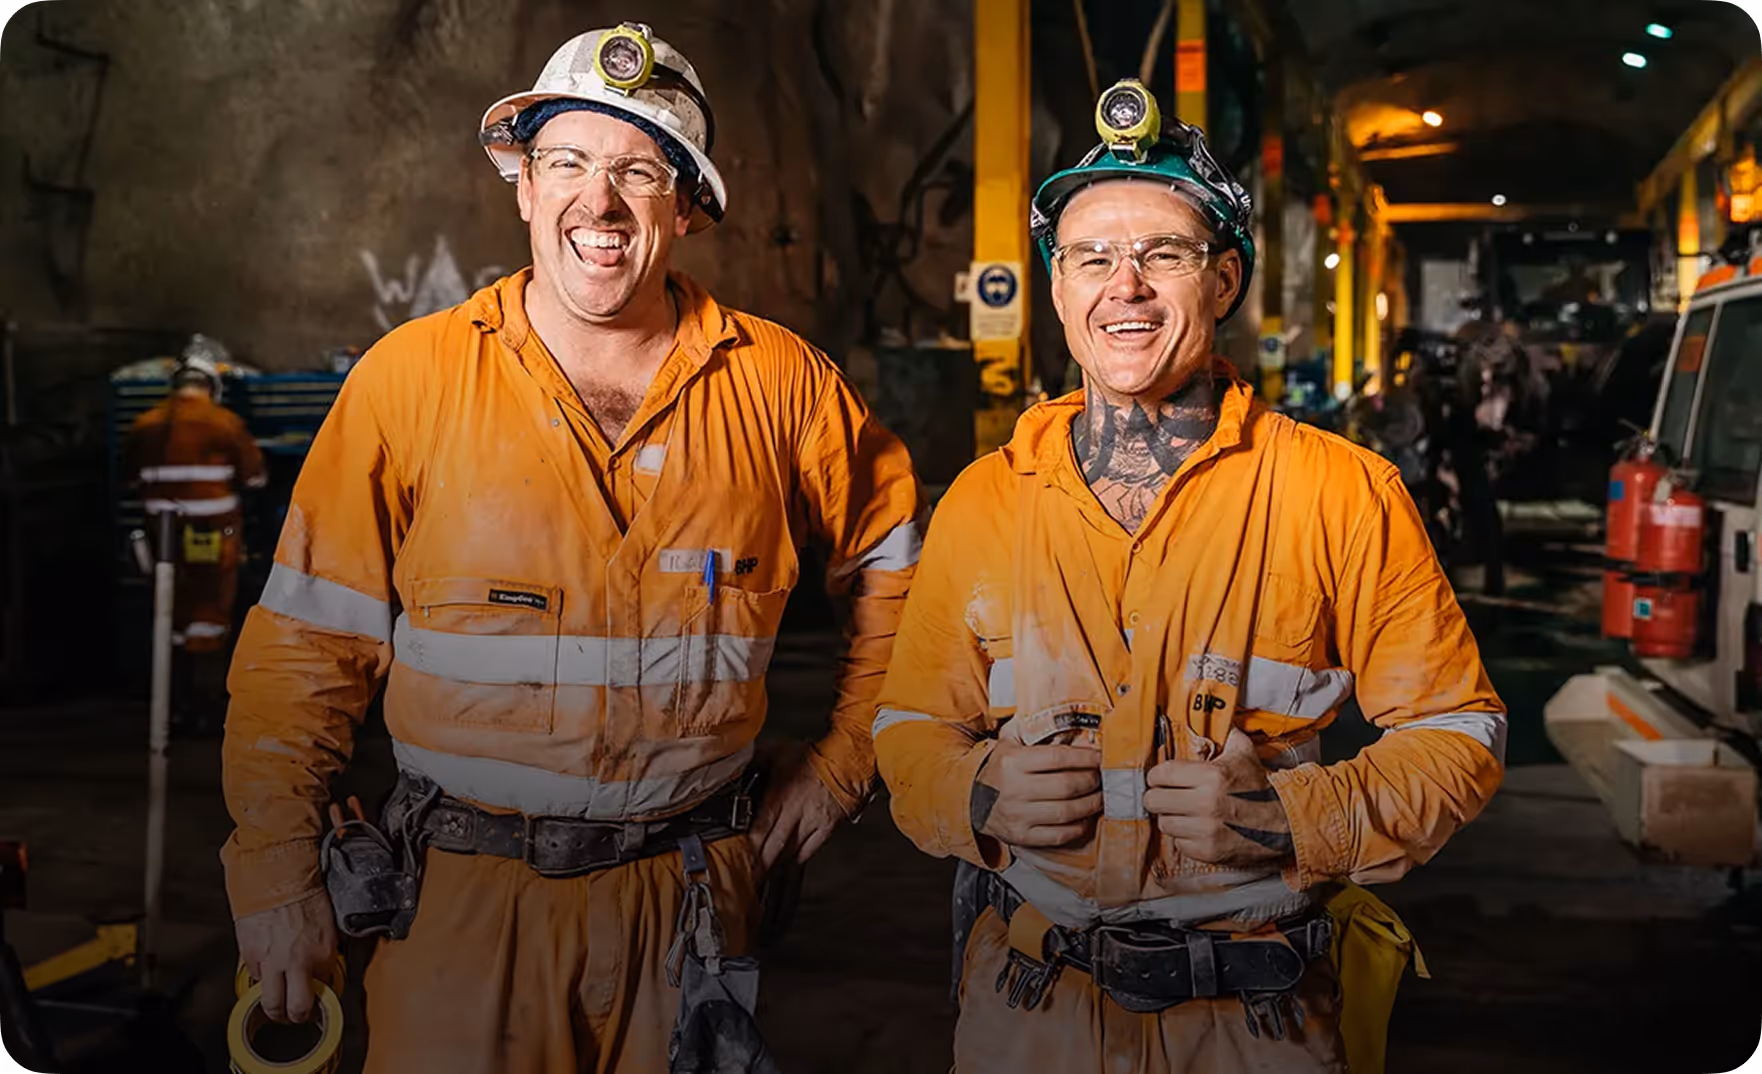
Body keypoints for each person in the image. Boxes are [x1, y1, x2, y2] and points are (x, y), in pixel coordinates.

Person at [220, 24, 923, 1072]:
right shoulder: (410, 383)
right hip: (461, 902)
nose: (598, 203)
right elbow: (304, 651)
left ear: (683, 207)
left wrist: (842, 768)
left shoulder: (784, 388)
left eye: (638, 171)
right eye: (569, 164)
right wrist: (275, 878)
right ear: (523, 187)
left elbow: (910, 582)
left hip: (691, 903)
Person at [872, 81, 1506, 1073]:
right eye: (1090, 258)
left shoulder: (1340, 492)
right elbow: (906, 730)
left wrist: (1294, 818)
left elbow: (1456, 737)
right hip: (1028, 1014)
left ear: (1223, 280)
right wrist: (978, 795)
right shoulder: (985, 502)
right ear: (1056, 289)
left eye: (1160, 255)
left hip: (1256, 1020)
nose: (1123, 286)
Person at [123, 337, 266, 736]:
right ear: (211, 386)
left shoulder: (144, 425)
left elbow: (132, 478)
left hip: (163, 538)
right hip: (214, 534)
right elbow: (255, 477)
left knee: (172, 611)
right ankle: (208, 703)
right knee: (211, 612)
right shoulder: (225, 424)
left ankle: (174, 702)